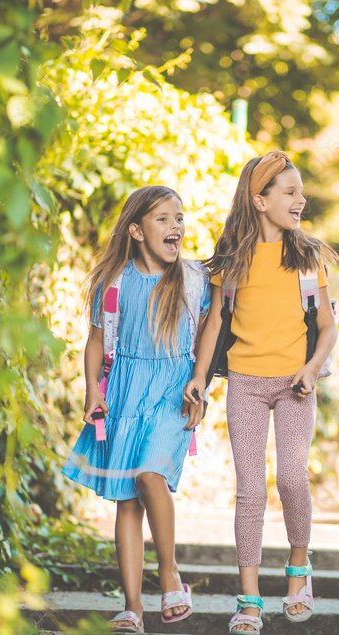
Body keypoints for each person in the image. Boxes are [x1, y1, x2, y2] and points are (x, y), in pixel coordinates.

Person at [183, 151, 337, 634]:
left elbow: (328, 328)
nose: (301, 199)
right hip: (245, 385)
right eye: (290, 192)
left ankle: (298, 573)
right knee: (249, 491)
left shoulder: (308, 258)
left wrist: (313, 368)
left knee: (292, 478)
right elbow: (212, 327)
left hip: (296, 383)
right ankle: (248, 601)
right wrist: (199, 378)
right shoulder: (231, 261)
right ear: (259, 200)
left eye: (301, 191)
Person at [62, 185, 208, 634]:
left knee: (149, 475)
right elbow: (96, 342)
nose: (176, 227)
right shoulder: (114, 283)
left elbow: (210, 334)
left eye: (179, 218)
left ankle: (170, 575)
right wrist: (92, 389)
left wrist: (200, 387)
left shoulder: (195, 278)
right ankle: (132, 608)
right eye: (163, 219)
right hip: (124, 392)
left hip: (172, 391)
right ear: (136, 230)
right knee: (126, 500)